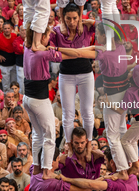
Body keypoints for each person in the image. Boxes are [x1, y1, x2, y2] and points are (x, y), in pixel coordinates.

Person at [23, 21, 94, 180]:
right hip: (39, 99)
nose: (50, 38)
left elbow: (31, 29)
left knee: (37, 134)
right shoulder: (43, 53)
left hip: (27, 98)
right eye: (47, 35)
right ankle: (47, 170)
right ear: (41, 37)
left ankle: (36, 167)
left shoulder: (26, 47)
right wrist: (87, 51)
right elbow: (72, 55)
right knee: (50, 136)